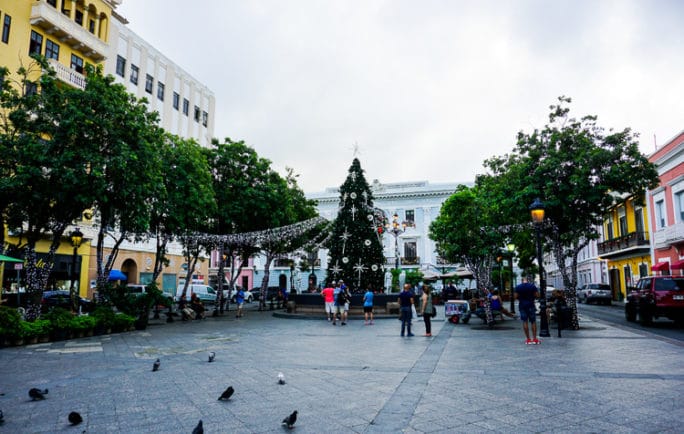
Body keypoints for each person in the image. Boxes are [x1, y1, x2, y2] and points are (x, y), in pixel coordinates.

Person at [515, 276, 540, 344]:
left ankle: (528, 339)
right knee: (533, 322)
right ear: (528, 280)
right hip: (531, 305)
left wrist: (521, 299)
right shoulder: (532, 286)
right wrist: (532, 297)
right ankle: (535, 339)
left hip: (522, 306)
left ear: (522, 280)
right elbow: (537, 295)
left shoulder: (518, 287)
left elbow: (515, 296)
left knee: (525, 321)